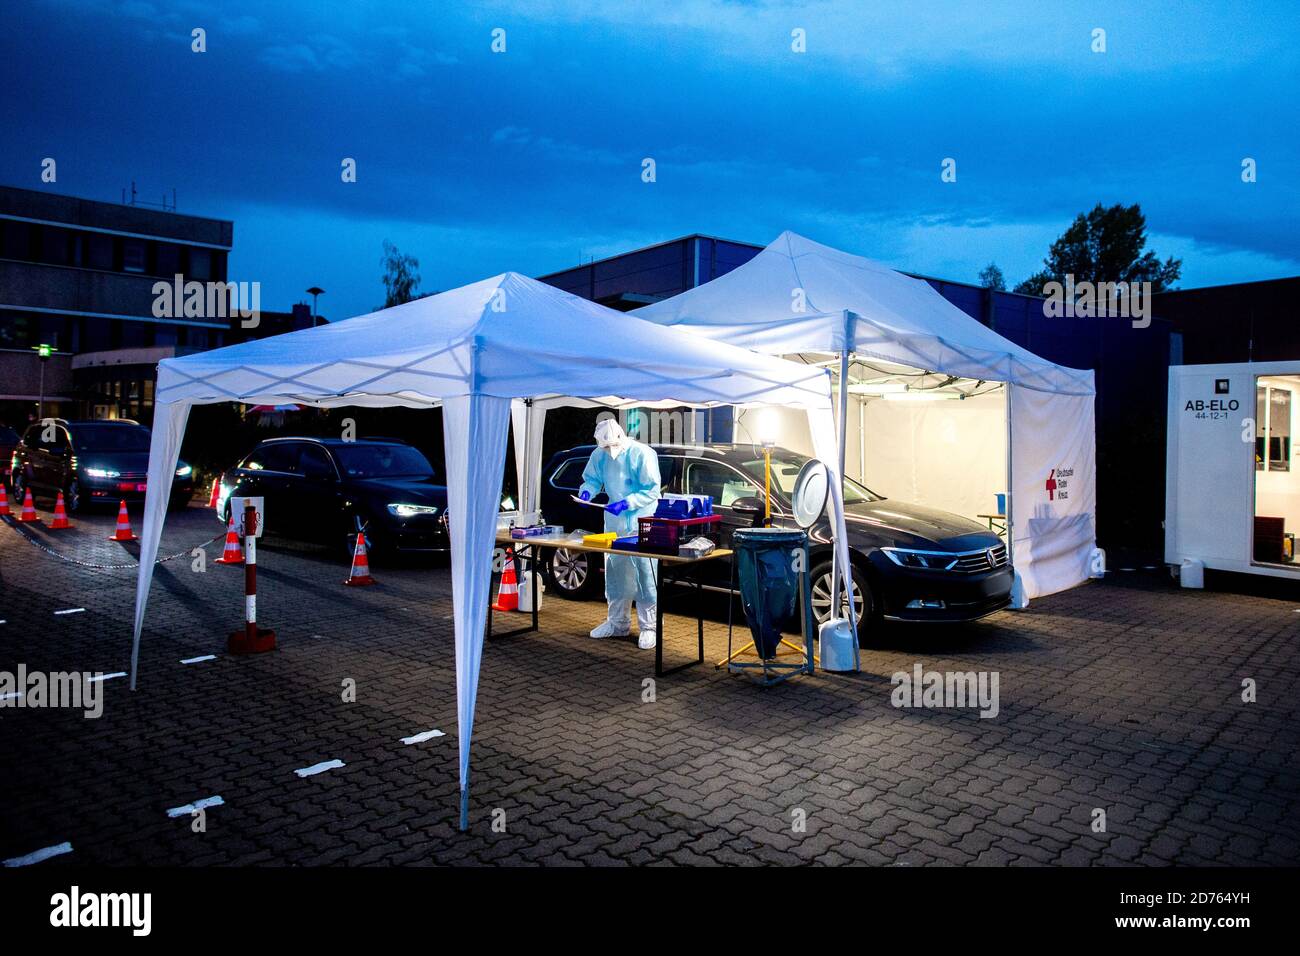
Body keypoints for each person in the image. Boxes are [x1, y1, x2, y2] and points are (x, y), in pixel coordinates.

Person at [578, 418, 661, 648]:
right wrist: (586, 493)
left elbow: (652, 490)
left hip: (642, 521)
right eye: (604, 448)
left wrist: (627, 503)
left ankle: (649, 627)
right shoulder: (599, 455)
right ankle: (617, 623)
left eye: (610, 447)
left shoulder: (642, 454)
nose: (608, 452)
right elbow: (592, 480)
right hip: (614, 523)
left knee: (646, 573)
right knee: (615, 572)